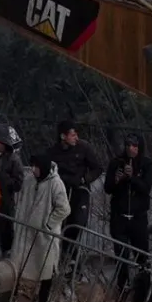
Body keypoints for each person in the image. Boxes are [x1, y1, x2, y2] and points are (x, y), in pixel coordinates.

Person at [12, 158, 72, 302]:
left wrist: (48, 225)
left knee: (46, 269)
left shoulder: (56, 183)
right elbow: (22, 198)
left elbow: (64, 209)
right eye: (32, 166)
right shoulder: (30, 180)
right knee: (17, 263)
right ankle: (12, 296)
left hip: (45, 236)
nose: (32, 169)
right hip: (26, 232)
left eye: (36, 166)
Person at [48, 121, 106, 283]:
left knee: (77, 224)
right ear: (63, 136)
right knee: (60, 227)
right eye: (73, 135)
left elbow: (98, 168)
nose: (76, 138)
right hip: (61, 193)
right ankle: (64, 263)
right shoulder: (53, 152)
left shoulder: (84, 148)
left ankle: (73, 262)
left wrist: (84, 179)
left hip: (80, 192)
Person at [105, 133, 152, 295]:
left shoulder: (147, 164)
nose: (130, 149)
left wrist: (132, 177)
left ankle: (143, 290)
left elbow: (145, 188)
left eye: (134, 146)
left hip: (138, 217)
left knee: (141, 255)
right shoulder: (116, 163)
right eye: (128, 145)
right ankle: (122, 288)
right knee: (121, 255)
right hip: (119, 216)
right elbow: (107, 188)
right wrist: (117, 180)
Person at [0, 120, 24, 254]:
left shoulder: (14, 159)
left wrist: (1, 178)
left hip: (6, 203)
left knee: (5, 233)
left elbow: (18, 184)